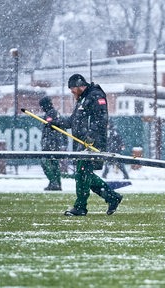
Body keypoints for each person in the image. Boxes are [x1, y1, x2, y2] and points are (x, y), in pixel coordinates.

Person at [55, 73, 123, 216]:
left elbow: (101, 118)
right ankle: (112, 197)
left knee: (82, 174)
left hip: (92, 144)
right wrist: (56, 123)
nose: (71, 92)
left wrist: (91, 136)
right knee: (84, 174)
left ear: (80, 86)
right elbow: (72, 121)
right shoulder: (81, 100)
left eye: (72, 89)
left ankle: (80, 207)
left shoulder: (96, 95)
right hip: (81, 144)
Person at [39, 96, 63, 191]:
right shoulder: (54, 113)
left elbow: (51, 126)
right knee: (54, 164)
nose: (42, 108)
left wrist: (48, 142)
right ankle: (56, 183)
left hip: (50, 144)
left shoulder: (51, 113)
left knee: (45, 162)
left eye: (42, 106)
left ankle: (54, 182)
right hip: (54, 143)